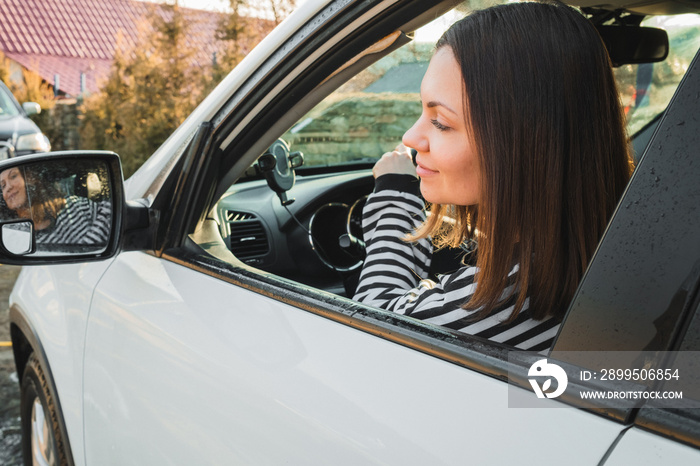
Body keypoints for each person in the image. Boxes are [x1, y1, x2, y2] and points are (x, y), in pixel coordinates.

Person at [353, 1, 633, 351]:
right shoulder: (612, 247)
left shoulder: (510, 299)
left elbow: (370, 322)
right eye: (423, 111)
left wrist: (395, 195)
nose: (411, 137)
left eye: (441, 122)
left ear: (525, 144)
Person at [0, 165, 111, 249]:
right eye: (3, 186)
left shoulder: (76, 206)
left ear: (29, 179)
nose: (8, 187)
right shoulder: (14, 236)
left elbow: (111, 211)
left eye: (13, 176)